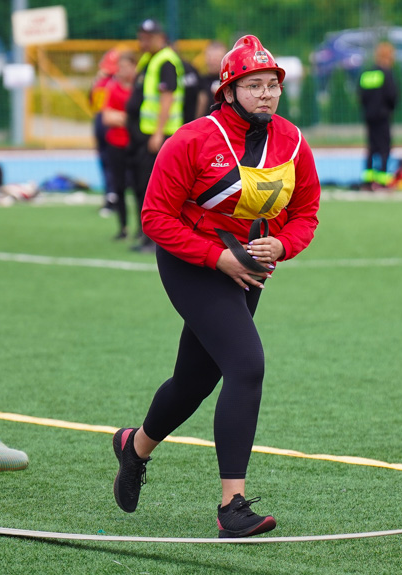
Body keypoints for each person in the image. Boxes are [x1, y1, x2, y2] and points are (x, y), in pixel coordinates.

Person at [110, 34, 321, 538]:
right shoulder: (191, 140)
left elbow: (306, 212)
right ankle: (232, 507)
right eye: (254, 85)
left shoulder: (291, 140)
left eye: (272, 85)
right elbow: (155, 217)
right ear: (228, 91)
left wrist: (283, 245)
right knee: (246, 365)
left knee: (194, 381)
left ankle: (134, 447)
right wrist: (217, 256)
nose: (267, 94)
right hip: (192, 262)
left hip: (248, 269)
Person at [126, 19, 185, 252]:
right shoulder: (149, 58)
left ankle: (156, 240)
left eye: (148, 36)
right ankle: (145, 235)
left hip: (159, 135)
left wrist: (158, 133)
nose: (143, 40)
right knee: (141, 185)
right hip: (145, 134)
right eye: (141, 36)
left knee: (155, 189)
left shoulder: (166, 60)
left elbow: (167, 98)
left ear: (161, 37)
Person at [101, 51, 138, 240]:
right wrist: (128, 119)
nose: (123, 70)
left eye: (126, 66)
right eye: (120, 67)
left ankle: (142, 229)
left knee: (141, 187)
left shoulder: (139, 88)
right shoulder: (113, 88)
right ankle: (123, 227)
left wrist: (122, 118)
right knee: (119, 186)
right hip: (116, 144)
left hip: (135, 144)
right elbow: (107, 117)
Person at [358, 41, 398, 191]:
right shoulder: (386, 73)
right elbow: (392, 95)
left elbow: (361, 96)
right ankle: (382, 181)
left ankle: (367, 182)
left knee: (371, 148)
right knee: (384, 149)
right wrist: (389, 109)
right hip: (383, 117)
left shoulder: (367, 74)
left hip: (369, 117)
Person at [91, 49, 119, 217]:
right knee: (108, 163)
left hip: (105, 124)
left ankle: (112, 195)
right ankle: (112, 195)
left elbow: (93, 104)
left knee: (109, 163)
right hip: (106, 123)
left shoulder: (102, 82)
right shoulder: (111, 83)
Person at [197, 40, 227, 117]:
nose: (213, 61)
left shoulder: (230, 81)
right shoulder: (200, 81)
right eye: (210, 57)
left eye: (217, 58)